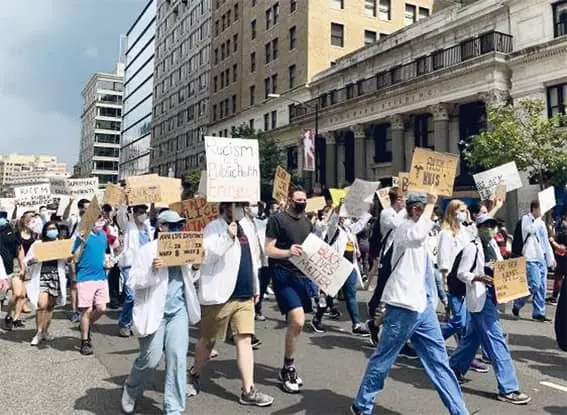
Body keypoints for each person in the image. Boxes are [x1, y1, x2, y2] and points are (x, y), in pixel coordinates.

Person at [351, 192, 468, 415]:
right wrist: (431, 204)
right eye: (427, 210)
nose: (432, 215)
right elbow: (415, 235)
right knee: (384, 358)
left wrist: (440, 298)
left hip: (423, 307)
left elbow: (430, 269)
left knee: (439, 361)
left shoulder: (424, 232)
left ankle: (459, 411)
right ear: (416, 210)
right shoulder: (404, 229)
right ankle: (362, 405)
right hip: (403, 306)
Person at [187, 203, 274, 407]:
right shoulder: (213, 228)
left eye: (243, 205)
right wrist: (228, 236)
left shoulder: (247, 228)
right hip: (220, 296)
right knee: (207, 341)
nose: (242, 209)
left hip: (244, 295)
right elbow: (206, 256)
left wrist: (256, 287)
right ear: (226, 207)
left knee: (244, 340)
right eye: (238, 205)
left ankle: (248, 390)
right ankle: (194, 373)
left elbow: (253, 259)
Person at [121, 210, 200, 415]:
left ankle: (174, 408)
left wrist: (196, 266)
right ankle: (131, 389)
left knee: (177, 357)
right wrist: (153, 270)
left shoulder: (184, 248)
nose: (177, 230)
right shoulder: (147, 251)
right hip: (154, 312)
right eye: (172, 226)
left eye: (179, 226)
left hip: (178, 312)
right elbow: (133, 282)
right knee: (151, 358)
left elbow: (190, 278)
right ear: (161, 227)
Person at [450, 215, 531, 405]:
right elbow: (462, 273)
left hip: (492, 297)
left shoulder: (493, 245)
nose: (491, 229)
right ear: (479, 227)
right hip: (480, 297)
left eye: (493, 225)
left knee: (472, 339)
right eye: (487, 226)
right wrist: (479, 277)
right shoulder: (472, 247)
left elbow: (500, 266)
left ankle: (453, 369)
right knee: (496, 342)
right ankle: (508, 388)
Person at [265, 186, 316, 393]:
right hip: (282, 274)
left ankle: (288, 363)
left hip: (302, 277)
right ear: (289, 200)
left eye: (305, 199)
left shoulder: (307, 223)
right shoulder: (276, 220)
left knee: (296, 324)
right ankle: (288, 368)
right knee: (297, 320)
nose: (302, 202)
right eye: (298, 199)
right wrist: (288, 252)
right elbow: (268, 249)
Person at [25, 221, 68, 346]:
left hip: (56, 276)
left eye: (54, 228)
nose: (52, 231)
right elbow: (27, 260)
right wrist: (32, 260)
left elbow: (67, 260)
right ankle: (38, 332)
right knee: (42, 305)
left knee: (50, 306)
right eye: (49, 229)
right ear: (44, 231)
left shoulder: (60, 244)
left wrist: (69, 257)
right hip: (42, 276)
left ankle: (45, 331)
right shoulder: (38, 244)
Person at [512, 201, 555, 321]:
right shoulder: (526, 219)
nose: (542, 212)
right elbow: (529, 230)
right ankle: (518, 303)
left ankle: (538, 312)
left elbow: (545, 241)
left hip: (541, 257)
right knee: (534, 285)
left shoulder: (541, 223)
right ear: (534, 209)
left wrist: (550, 258)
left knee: (542, 287)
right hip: (529, 257)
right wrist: (538, 220)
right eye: (541, 209)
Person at [72, 215, 109, 355]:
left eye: (102, 220)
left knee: (101, 308)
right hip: (85, 277)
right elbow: (73, 258)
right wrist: (80, 242)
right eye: (97, 219)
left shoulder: (103, 235)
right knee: (85, 310)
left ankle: (85, 326)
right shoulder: (82, 236)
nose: (100, 222)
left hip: (101, 276)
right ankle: (85, 341)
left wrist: (107, 262)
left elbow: (104, 253)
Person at [118, 205, 153, 337]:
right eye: (140, 212)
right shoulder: (129, 226)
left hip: (145, 266)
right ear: (134, 213)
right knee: (131, 296)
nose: (143, 215)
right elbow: (121, 216)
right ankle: (124, 324)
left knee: (143, 297)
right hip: (130, 266)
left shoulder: (148, 227)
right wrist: (124, 203)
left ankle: (139, 323)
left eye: (144, 212)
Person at [65, 197, 91, 323]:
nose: (87, 210)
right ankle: (75, 311)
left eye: (89, 208)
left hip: (88, 255)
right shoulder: (74, 219)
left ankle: (85, 308)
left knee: (85, 283)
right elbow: (64, 217)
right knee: (74, 284)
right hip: (74, 255)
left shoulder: (93, 221)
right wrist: (70, 202)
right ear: (80, 208)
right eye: (85, 208)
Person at [2, 209, 26, 330]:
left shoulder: (12, 230)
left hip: (14, 266)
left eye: (3, 216)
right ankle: (9, 315)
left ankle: (11, 317)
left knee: (18, 294)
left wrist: (22, 266)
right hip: (1, 268)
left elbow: (19, 249)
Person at [547, 213, 567, 305]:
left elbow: (561, 248)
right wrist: (551, 229)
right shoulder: (563, 233)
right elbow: (555, 237)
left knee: (559, 277)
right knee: (558, 277)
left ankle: (555, 297)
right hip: (560, 259)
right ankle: (554, 296)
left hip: (563, 259)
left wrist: (552, 241)